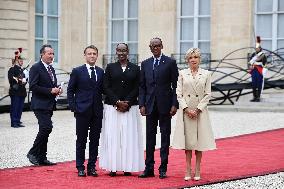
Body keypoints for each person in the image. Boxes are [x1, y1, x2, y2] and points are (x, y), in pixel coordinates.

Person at [99, 43, 144, 177]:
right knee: (113, 136)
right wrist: (117, 102)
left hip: (130, 108)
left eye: (124, 50)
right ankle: (112, 167)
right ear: (116, 52)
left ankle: (127, 167)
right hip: (112, 107)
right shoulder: (110, 67)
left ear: (128, 52)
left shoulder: (136, 69)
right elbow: (105, 87)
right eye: (119, 50)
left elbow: (137, 87)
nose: (121, 53)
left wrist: (127, 102)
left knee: (128, 137)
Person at [171, 47, 216, 181]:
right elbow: (178, 93)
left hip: (200, 111)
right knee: (188, 143)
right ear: (187, 60)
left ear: (199, 59)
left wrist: (198, 109)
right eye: (190, 58)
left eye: (195, 57)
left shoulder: (207, 74)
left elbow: (208, 94)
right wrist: (186, 108)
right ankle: (187, 168)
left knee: (199, 141)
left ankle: (197, 169)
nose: (193, 60)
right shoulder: (182, 74)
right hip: (186, 111)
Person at [138, 37, 179, 179]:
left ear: (162, 46)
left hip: (166, 106)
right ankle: (149, 168)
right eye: (153, 46)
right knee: (150, 138)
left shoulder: (170, 63)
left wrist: (175, 104)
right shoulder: (145, 64)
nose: (155, 48)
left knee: (164, 138)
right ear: (150, 48)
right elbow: (142, 86)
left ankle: (163, 168)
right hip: (149, 106)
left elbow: (176, 86)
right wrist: (141, 104)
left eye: (157, 45)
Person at [67, 45, 104, 177]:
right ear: (85, 55)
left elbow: (104, 91)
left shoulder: (101, 72)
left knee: (95, 140)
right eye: (89, 53)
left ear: (97, 56)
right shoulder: (77, 71)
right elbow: (70, 90)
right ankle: (80, 167)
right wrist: (73, 107)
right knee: (81, 140)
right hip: (82, 111)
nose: (92, 56)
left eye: (94, 53)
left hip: (97, 112)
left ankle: (92, 166)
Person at [27, 44, 61, 166]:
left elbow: (51, 86)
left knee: (45, 129)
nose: (52, 56)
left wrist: (57, 90)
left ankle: (42, 157)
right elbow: (33, 86)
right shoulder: (36, 68)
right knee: (47, 127)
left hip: (49, 104)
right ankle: (32, 153)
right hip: (39, 104)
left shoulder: (51, 69)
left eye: (53, 53)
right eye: (49, 53)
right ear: (42, 54)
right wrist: (50, 91)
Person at [8, 48, 27, 128]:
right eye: (20, 61)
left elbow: (25, 80)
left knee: (20, 108)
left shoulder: (22, 70)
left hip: (22, 91)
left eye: (22, 61)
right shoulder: (12, 69)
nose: (21, 62)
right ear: (16, 61)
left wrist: (25, 80)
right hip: (15, 91)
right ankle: (14, 122)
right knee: (15, 107)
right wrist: (19, 79)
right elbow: (11, 79)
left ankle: (18, 121)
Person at [249, 36, 267, 102]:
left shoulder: (262, 55)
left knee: (259, 84)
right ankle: (254, 97)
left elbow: (265, 64)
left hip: (259, 70)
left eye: (257, 48)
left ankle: (258, 97)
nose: (256, 49)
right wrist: (250, 65)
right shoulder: (253, 54)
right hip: (254, 70)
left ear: (260, 48)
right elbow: (250, 61)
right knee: (253, 84)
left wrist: (263, 69)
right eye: (255, 48)